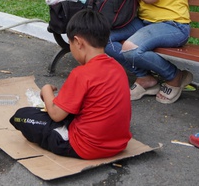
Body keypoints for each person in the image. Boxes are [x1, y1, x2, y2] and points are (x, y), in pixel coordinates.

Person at [9, 9, 132, 159]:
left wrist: (46, 91)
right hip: (118, 144)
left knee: (21, 116)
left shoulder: (82, 73)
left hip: (85, 146)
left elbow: (56, 115)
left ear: (78, 42)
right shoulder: (117, 67)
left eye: (70, 43)